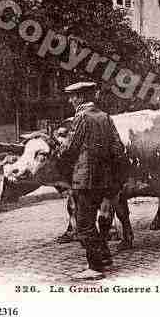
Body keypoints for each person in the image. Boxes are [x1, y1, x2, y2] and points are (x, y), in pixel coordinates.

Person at [56, 82, 127, 280]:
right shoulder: (105, 116)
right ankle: (104, 258)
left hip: (84, 180)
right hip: (104, 180)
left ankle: (95, 268)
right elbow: (118, 148)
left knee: (84, 225)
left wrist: (58, 152)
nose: (70, 100)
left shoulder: (81, 116)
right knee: (93, 221)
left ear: (80, 97)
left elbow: (70, 148)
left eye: (72, 96)